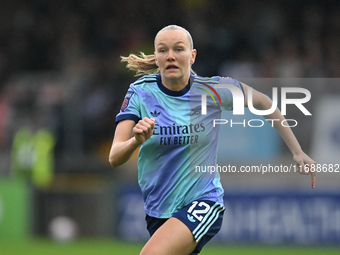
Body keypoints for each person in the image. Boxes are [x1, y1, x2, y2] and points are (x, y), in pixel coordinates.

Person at [109, 25, 316, 255]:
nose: (171, 56)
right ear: (156, 58)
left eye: (179, 49)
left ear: (192, 55)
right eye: (163, 50)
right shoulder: (140, 92)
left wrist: (297, 152)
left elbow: (265, 103)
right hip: (158, 210)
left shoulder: (213, 90)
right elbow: (115, 157)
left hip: (204, 201)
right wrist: (136, 141)